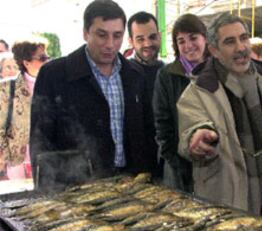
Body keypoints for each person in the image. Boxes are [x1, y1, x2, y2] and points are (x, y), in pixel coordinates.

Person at [177, 13, 262, 219]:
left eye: (244, 38)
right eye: (230, 42)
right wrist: (197, 137)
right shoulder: (199, 91)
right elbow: (191, 130)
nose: (241, 47)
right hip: (228, 200)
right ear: (214, 50)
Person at [30, 0, 154, 190]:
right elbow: (40, 139)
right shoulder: (54, 74)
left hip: (131, 185)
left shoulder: (135, 74)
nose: (110, 45)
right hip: (75, 187)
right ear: (86, 32)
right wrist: (47, 191)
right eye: (102, 35)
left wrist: (148, 177)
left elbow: (147, 132)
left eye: (117, 36)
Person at [152, 13, 208, 192]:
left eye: (193, 38)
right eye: (181, 41)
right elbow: (162, 120)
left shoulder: (217, 70)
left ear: (204, 38)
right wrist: (173, 158)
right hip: (177, 164)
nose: (188, 45)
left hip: (214, 160)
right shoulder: (166, 75)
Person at [0, 38, 49, 180]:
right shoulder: (6, 88)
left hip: (47, 157)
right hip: (18, 161)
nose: (48, 61)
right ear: (26, 62)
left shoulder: (53, 84)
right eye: (42, 58)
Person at [127, 11, 164, 178]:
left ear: (160, 36)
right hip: (137, 167)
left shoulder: (168, 72)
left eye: (152, 37)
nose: (148, 43)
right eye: (140, 39)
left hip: (166, 161)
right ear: (131, 42)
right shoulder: (123, 73)